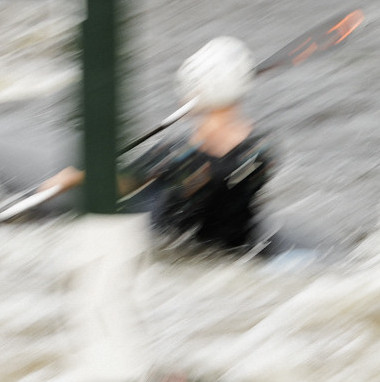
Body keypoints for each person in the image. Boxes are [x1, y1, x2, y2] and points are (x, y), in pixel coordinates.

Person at [43, 37, 276, 254]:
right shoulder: (261, 150)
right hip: (236, 244)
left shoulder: (177, 157)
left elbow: (120, 183)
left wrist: (74, 178)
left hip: (173, 246)